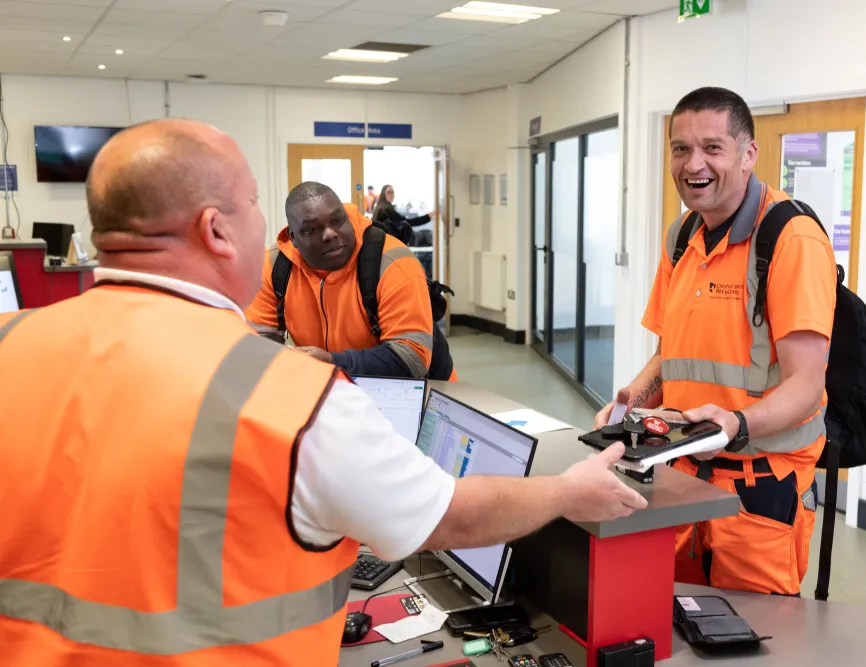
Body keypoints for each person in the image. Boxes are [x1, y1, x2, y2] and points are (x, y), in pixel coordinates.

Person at [0, 118, 648, 666]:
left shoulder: (11, 341)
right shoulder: (295, 401)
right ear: (217, 230)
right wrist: (570, 488)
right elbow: (446, 516)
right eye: (256, 204)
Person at [595, 87, 836, 596]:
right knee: (674, 621)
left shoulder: (791, 240)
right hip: (682, 473)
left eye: (712, 147)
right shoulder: (681, 236)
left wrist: (737, 423)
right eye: (680, 148)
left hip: (759, 490)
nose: (693, 163)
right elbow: (671, 356)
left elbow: (807, 384)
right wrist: (626, 408)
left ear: (749, 154)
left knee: (755, 638)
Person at [246, 182, 454, 380]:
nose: (329, 234)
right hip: (332, 388)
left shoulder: (391, 261)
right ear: (293, 237)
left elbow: (412, 358)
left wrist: (333, 362)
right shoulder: (274, 266)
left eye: (337, 221)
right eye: (311, 229)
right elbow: (258, 344)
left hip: (420, 394)